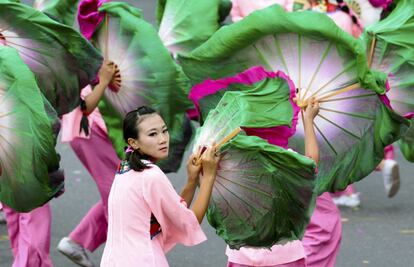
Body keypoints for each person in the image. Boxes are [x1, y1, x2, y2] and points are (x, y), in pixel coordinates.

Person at [100, 106, 220, 266]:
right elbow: (188, 223)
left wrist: (192, 181)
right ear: (133, 142)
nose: (163, 139)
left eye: (164, 131)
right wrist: (209, 176)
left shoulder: (124, 170)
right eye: (153, 134)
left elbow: (175, 212)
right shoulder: (151, 174)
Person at [226, 98, 329, 267]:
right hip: (283, 253)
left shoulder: (234, 165)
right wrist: (308, 120)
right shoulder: (284, 161)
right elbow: (311, 163)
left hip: (242, 253)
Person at [57, 60, 119, 267]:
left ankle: (77, 241)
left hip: (90, 127)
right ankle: (123, 252)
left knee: (119, 188)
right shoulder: (59, 54)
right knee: (118, 191)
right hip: (86, 129)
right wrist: (104, 81)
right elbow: (84, 107)